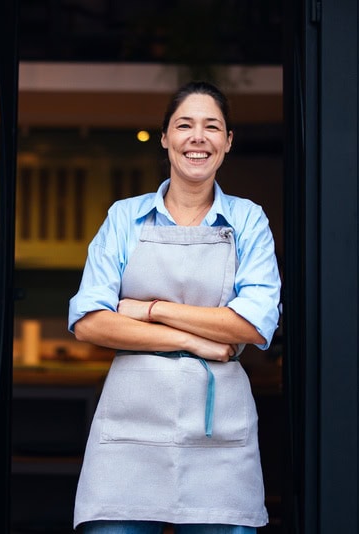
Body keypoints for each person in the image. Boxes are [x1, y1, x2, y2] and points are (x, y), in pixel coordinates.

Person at [68, 81, 282, 534]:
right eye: (185, 125)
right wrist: (195, 341)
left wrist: (150, 310)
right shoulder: (125, 217)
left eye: (212, 127)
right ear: (165, 137)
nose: (197, 137)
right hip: (130, 429)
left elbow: (252, 323)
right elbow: (88, 322)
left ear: (228, 141)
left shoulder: (247, 219)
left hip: (217, 432)